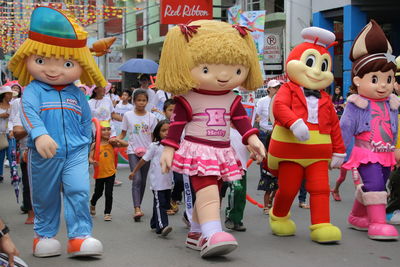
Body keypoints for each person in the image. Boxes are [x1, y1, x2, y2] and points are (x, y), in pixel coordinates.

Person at [156, 20, 265, 258]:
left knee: (214, 188)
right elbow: (176, 125)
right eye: (207, 69)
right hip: (198, 150)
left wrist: (253, 140)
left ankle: (196, 232)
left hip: (223, 151)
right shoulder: (187, 98)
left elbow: (243, 123)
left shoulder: (232, 99)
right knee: (208, 191)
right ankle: (213, 233)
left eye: (236, 70)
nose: (224, 77)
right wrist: (168, 149)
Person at [9, 6, 104, 257]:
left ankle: (79, 237)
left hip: (75, 152)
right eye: (41, 61)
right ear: (28, 58)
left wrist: (87, 146)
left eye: (67, 63)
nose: (53, 69)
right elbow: (29, 113)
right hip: (44, 154)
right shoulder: (33, 90)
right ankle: (44, 236)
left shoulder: (77, 94)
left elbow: (85, 121)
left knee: (79, 190)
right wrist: (39, 134)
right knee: (45, 197)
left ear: (80, 65)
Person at [267, 27, 346, 244]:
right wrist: (293, 123)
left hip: (318, 153)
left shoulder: (325, 98)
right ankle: (279, 215)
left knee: (320, 188)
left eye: (323, 66)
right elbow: (280, 107)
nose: (317, 71)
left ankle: (322, 225)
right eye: (310, 63)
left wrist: (339, 150)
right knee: (289, 188)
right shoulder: (288, 89)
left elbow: (334, 125)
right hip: (292, 150)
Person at [340, 20, 399, 240]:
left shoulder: (392, 103)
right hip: (366, 152)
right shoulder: (356, 104)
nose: (383, 85)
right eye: (375, 79)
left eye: (388, 79)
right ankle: (378, 223)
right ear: (358, 80)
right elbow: (345, 128)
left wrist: (395, 150)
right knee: (375, 184)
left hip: (386, 153)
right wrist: (338, 153)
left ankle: (357, 216)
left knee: (377, 184)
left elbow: (394, 131)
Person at [117, 89, 157, 221]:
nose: (141, 103)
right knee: (137, 178)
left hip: (147, 152)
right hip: (132, 151)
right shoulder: (128, 115)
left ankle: (138, 204)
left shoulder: (152, 117)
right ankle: (137, 208)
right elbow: (123, 134)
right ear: (134, 101)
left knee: (143, 181)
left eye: (144, 100)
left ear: (147, 101)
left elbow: (154, 137)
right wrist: (115, 139)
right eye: (139, 100)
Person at [130, 120, 173, 236]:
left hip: (169, 181)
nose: (166, 133)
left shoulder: (173, 146)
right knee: (161, 204)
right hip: (158, 182)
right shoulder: (155, 146)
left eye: (169, 130)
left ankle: (154, 222)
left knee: (161, 203)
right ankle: (162, 226)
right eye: (163, 130)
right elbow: (144, 159)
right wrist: (134, 171)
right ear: (158, 133)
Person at [89, 121, 128, 221]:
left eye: (108, 129)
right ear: (98, 132)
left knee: (109, 193)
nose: (106, 132)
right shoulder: (95, 144)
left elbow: (125, 144)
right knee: (98, 193)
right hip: (99, 173)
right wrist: (93, 162)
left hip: (110, 172)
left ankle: (107, 213)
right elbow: (89, 158)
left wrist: (115, 140)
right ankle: (93, 203)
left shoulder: (112, 143)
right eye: (103, 130)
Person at [89, 85, 123, 186]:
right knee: (99, 156)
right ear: (95, 90)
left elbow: (113, 115)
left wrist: (127, 120)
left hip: (110, 132)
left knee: (115, 152)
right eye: (101, 87)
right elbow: (86, 118)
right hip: (98, 133)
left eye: (105, 88)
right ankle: (100, 175)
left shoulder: (108, 100)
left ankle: (112, 176)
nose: (104, 89)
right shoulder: (89, 103)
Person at [256, 79, 280, 215]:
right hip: (265, 134)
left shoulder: (281, 100)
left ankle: (273, 199)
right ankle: (265, 181)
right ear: (269, 89)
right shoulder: (262, 101)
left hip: (278, 134)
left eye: (278, 87)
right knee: (266, 164)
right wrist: (258, 120)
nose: (277, 89)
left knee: (278, 165)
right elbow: (256, 115)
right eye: (274, 88)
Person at [224, 125, 249, 231]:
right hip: (229, 167)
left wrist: (257, 153)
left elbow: (250, 146)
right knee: (237, 188)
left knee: (241, 196)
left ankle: (237, 220)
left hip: (242, 167)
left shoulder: (245, 131)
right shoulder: (225, 129)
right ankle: (230, 215)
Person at [0, 86, 17, 183]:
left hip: (10, 134)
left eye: (11, 94)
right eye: (8, 94)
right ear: (3, 95)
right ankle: (0, 175)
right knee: (0, 156)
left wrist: (12, 130)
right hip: (0, 135)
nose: (10, 96)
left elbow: (15, 119)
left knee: (12, 155)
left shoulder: (13, 106)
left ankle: (14, 175)